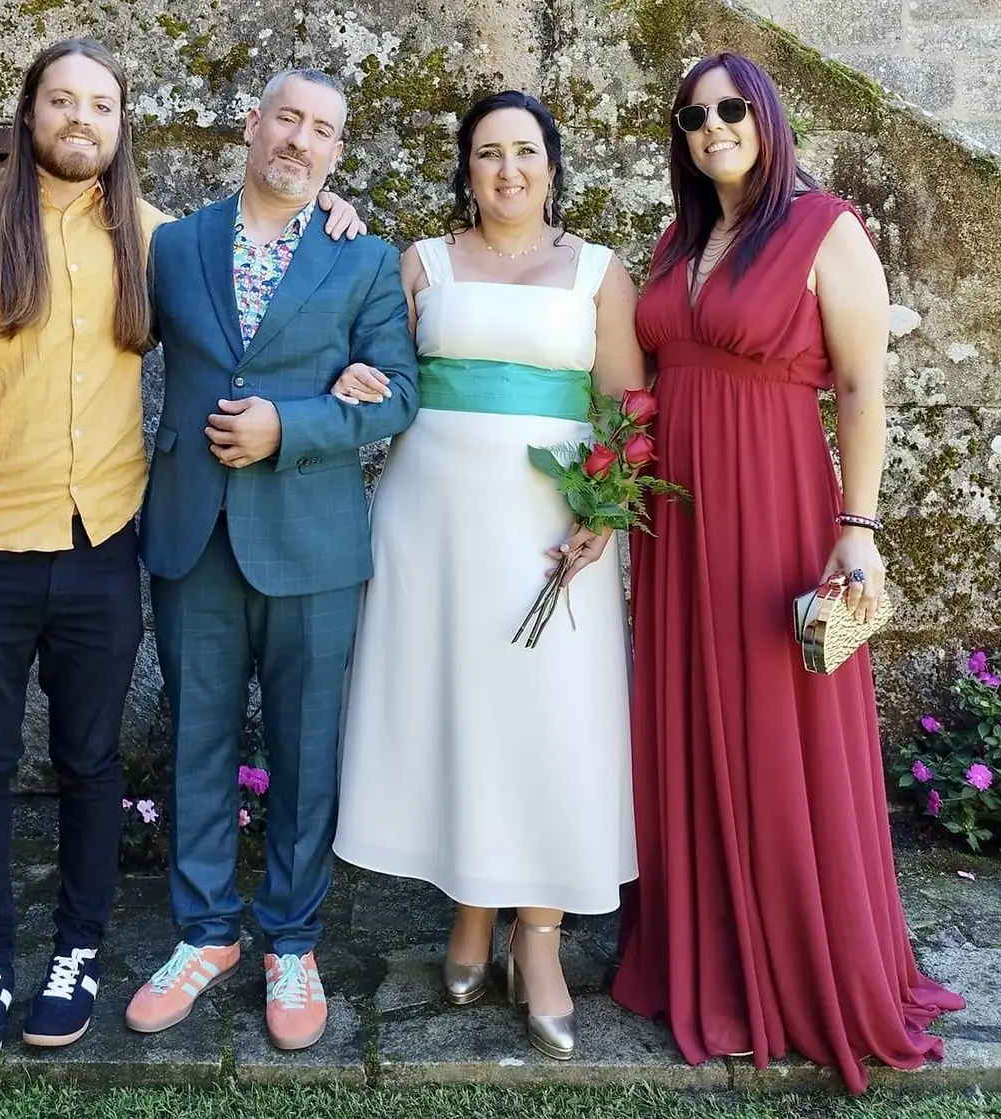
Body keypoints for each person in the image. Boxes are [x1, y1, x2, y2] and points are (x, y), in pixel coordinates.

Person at [0, 41, 363, 1075]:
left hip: (103, 539)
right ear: (30, 113)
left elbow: (269, 264)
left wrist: (330, 211)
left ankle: (79, 954)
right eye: (62, 100)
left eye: (99, 105)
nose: (80, 119)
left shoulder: (156, 240)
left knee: (91, 760)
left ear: (119, 125)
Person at [609, 52, 964, 1093]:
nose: (711, 126)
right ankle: (704, 955)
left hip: (773, 509)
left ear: (765, 117)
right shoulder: (678, 240)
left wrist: (858, 528)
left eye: (730, 108)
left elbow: (860, 388)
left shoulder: (824, 227)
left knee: (775, 727)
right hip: (676, 524)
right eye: (692, 116)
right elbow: (648, 373)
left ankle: (796, 967)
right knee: (686, 718)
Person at [330, 91, 644, 1061]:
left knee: (549, 720)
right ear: (465, 169)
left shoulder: (598, 271)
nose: (507, 170)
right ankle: (470, 905)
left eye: (524, 152)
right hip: (433, 527)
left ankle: (537, 935)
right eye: (486, 154)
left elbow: (627, 406)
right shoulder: (420, 263)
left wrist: (604, 512)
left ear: (551, 164)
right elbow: (376, 371)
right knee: (461, 710)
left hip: (553, 530)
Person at [122, 69, 420, 1053]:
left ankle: (292, 940)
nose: (300, 139)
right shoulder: (174, 244)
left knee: (303, 750)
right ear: (252, 124)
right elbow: (97, 341)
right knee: (197, 740)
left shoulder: (362, 257)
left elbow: (397, 395)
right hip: (192, 533)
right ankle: (205, 933)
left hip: (311, 541)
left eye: (322, 129)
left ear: (338, 152)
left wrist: (290, 426)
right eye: (287, 118)